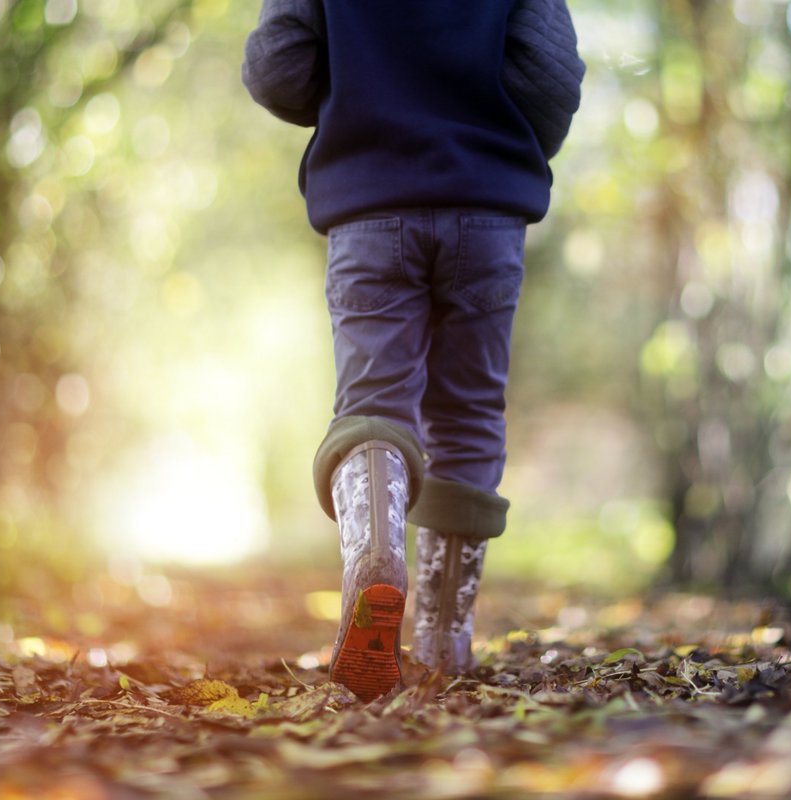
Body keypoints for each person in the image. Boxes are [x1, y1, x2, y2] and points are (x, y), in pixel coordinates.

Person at [242, 0, 584, 701]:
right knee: (468, 415)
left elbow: (276, 68)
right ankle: (441, 644)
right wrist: (488, 130)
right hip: (488, 210)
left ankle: (375, 556)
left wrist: (359, 97)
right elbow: (552, 78)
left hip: (369, 206)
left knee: (373, 408)